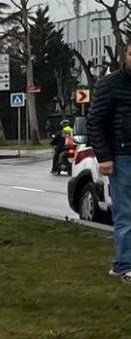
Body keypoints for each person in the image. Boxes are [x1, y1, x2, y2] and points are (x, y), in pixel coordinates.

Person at [90, 43, 131, 283]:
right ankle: (124, 265)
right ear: (125, 55)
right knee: (126, 214)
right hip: (123, 156)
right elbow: (95, 121)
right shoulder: (110, 84)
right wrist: (104, 157)